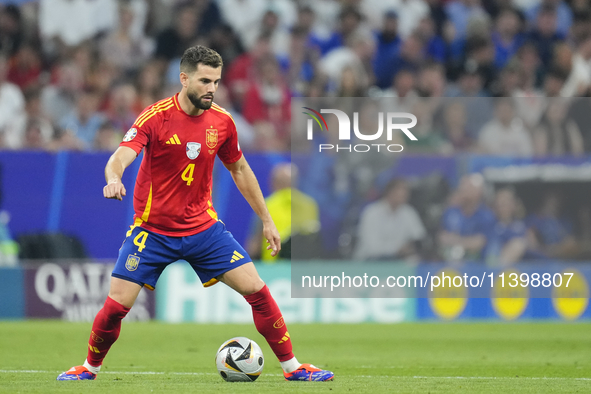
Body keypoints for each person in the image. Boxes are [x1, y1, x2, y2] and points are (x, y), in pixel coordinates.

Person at [56, 46, 334, 382]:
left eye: (216, 81)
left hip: (204, 230)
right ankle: (89, 368)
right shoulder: (155, 117)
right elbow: (120, 156)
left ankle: (293, 368)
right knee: (117, 305)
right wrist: (113, 179)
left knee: (258, 292)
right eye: (204, 80)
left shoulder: (222, 121)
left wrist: (266, 218)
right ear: (184, 78)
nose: (211, 88)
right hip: (152, 232)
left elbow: (241, 169)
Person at [354, 178, 426, 261]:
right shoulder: (372, 213)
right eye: (400, 191)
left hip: (399, 259)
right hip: (370, 261)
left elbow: (419, 237)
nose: (405, 195)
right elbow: (372, 248)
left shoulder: (408, 212)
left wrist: (412, 247)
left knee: (414, 260)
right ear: (390, 192)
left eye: (406, 192)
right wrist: (397, 249)